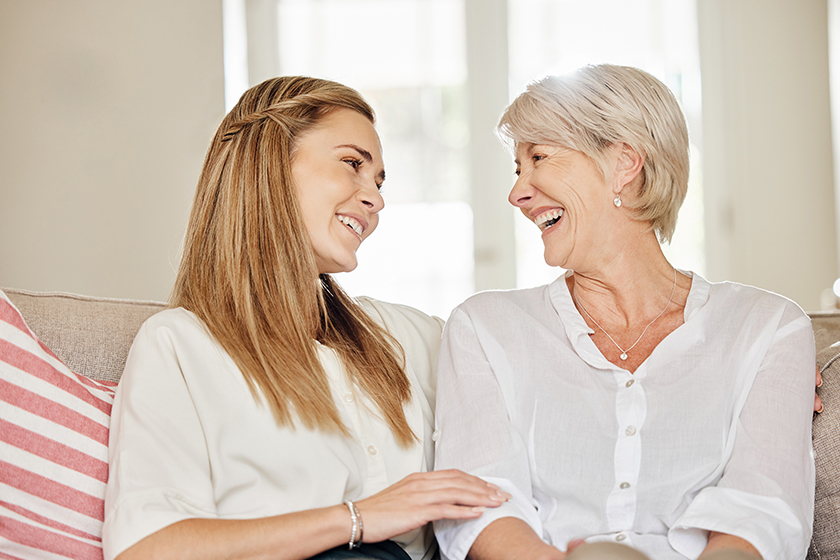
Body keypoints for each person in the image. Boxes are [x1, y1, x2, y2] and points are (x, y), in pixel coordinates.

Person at [103, 76, 510, 560]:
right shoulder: (180, 346)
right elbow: (147, 548)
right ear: (269, 164)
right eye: (353, 164)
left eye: (379, 181)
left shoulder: (408, 337)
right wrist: (358, 518)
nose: (376, 199)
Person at [433, 64, 816, 560]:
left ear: (624, 163)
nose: (517, 192)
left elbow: (764, 512)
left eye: (539, 157)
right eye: (517, 167)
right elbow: (480, 502)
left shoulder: (768, 327)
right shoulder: (485, 327)